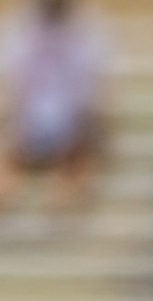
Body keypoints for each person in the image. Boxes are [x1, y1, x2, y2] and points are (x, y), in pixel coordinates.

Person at [0, 0, 114, 217]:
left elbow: (94, 87)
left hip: (72, 122)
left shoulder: (89, 27)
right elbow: (13, 82)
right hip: (31, 120)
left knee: (84, 145)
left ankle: (65, 198)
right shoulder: (22, 25)